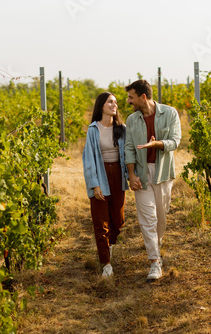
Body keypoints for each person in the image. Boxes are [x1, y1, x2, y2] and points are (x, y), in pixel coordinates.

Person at [124, 79, 181, 281]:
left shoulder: (170, 113)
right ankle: (154, 262)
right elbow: (129, 148)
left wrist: (157, 144)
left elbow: (175, 141)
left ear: (143, 97)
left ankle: (157, 244)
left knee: (161, 217)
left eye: (131, 97)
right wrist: (131, 174)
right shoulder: (131, 120)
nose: (129, 101)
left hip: (163, 172)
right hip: (141, 172)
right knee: (147, 219)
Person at [83, 92, 128, 277]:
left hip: (118, 174)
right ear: (101, 105)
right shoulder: (93, 129)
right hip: (100, 173)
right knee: (100, 221)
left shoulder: (122, 128)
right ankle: (106, 264)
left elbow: (129, 153)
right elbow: (89, 159)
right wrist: (95, 184)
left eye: (116, 102)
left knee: (117, 220)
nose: (114, 105)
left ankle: (109, 245)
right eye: (110, 102)